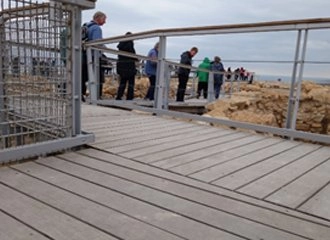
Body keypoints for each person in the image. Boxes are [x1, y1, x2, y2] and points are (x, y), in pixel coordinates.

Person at [81, 11, 107, 102]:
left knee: (83, 76)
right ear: (98, 18)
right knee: (98, 77)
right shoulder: (96, 28)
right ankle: (96, 97)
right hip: (93, 57)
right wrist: (105, 50)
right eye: (104, 19)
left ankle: (80, 95)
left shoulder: (86, 26)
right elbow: (97, 43)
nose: (105, 22)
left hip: (84, 55)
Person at [116, 32, 137, 100]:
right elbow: (132, 54)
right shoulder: (130, 43)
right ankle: (129, 97)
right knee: (131, 83)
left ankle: (119, 96)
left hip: (121, 65)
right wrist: (136, 59)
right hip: (129, 66)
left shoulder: (120, 45)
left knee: (122, 82)